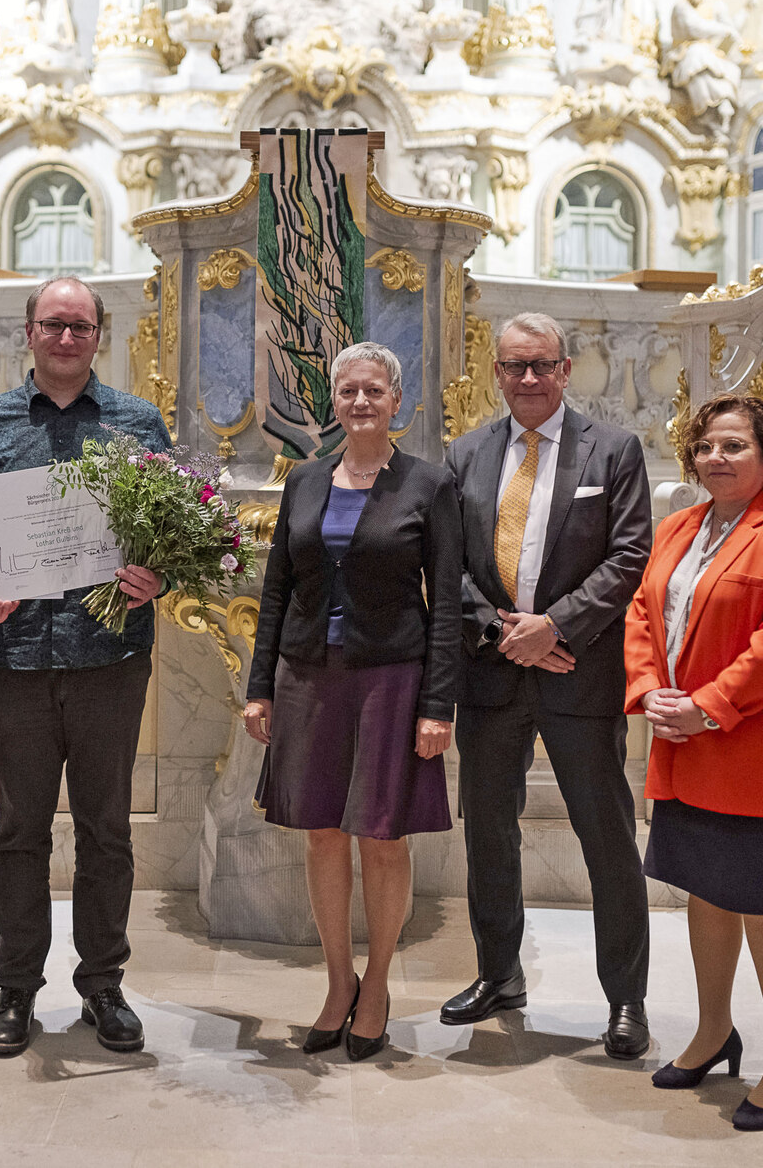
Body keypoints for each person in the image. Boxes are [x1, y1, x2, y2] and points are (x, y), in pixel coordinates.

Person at [0, 277, 171, 1057]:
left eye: (81, 325)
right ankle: (15, 987)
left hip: (111, 657)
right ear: (29, 331)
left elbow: (171, 524)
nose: (66, 337)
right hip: (18, 657)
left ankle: (104, 983)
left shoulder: (137, 422)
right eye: (53, 324)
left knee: (107, 831)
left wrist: (156, 571)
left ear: (99, 335)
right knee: (19, 831)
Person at [441, 311, 654, 1059]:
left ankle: (627, 999)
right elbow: (447, 567)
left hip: (580, 674)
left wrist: (554, 626)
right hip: (492, 676)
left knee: (607, 838)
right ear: (496, 372)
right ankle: (499, 975)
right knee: (489, 833)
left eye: (541, 365)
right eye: (514, 366)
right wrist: (505, 631)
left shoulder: (615, 450)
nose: (528, 378)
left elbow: (630, 556)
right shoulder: (464, 455)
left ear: (566, 370)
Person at [242, 343, 462, 1062]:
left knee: (381, 832)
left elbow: (447, 606)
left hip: (391, 678)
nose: (361, 401)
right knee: (321, 831)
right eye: (348, 391)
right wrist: (259, 684)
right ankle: (339, 981)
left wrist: (439, 705)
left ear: (397, 400)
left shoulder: (428, 486)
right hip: (309, 677)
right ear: (331, 401)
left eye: (374, 389)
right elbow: (276, 588)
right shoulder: (303, 480)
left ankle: (380, 985)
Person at [623, 394, 763, 1131]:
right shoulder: (679, 526)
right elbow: (642, 615)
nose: (718, 457)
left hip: (754, 746)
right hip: (683, 742)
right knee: (705, 892)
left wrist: (705, 704)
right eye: (707, 445)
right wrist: (649, 692)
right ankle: (715, 1031)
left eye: (735, 445)